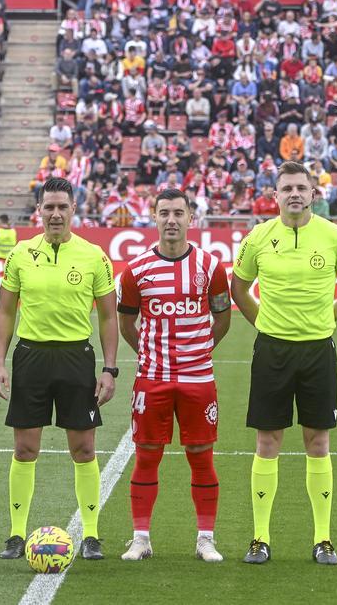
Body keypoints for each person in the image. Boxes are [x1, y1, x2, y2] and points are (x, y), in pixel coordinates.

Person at [230, 160, 337, 566]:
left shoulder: (333, 236)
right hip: (272, 351)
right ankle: (259, 538)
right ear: (275, 195)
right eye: (286, 187)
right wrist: (264, 323)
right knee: (267, 442)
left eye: (301, 188)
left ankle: (323, 539)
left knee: (318, 442)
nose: (294, 194)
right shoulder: (257, 237)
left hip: (317, 352)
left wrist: (327, 318)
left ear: (313, 194)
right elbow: (238, 287)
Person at [0, 177, 119, 561]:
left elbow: (109, 317)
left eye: (62, 206)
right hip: (30, 358)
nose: (55, 213)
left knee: (83, 449)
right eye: (49, 206)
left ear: (74, 208)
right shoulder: (20, 254)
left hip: (76, 359)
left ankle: (92, 535)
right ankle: (16, 534)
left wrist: (109, 368)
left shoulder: (94, 256)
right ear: (39, 210)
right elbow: (5, 311)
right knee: (25, 448)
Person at [116, 189, 232, 563]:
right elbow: (127, 324)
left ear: (190, 218)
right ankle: (140, 538)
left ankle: (205, 538)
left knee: (201, 455)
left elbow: (222, 318)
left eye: (178, 213)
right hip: (153, 378)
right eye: (164, 212)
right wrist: (152, 354)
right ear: (154, 216)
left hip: (198, 378)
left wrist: (197, 351)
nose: (171, 220)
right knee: (147, 455)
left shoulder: (211, 267)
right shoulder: (135, 271)